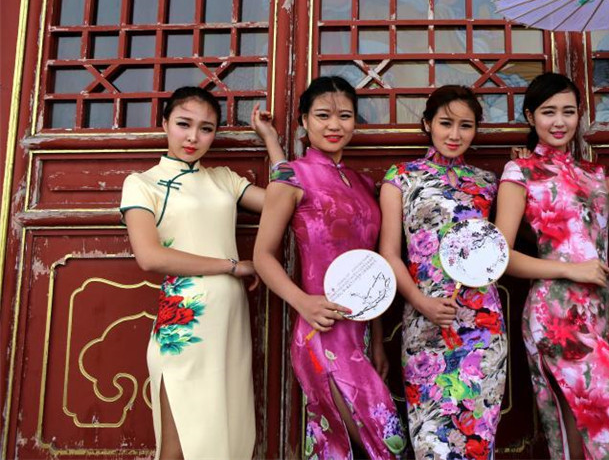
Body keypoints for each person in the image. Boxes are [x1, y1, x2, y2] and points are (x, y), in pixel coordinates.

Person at [494, 73, 609, 460]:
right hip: (555, 314)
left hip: (596, 312)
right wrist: (572, 269)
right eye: (548, 112)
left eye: (568, 112)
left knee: (582, 424)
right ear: (530, 116)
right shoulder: (520, 173)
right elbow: (499, 257)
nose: (559, 121)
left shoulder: (593, 174)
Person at [120, 86, 285, 460]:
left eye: (206, 128)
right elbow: (150, 257)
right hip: (185, 323)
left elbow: (286, 198)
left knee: (227, 435)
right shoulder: (141, 183)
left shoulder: (223, 179)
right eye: (183, 124)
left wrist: (271, 140)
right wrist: (232, 266)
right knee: (181, 445)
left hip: (230, 321)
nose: (193, 137)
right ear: (164, 124)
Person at [252, 76, 405, 460]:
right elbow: (263, 256)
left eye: (344, 116)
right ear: (304, 121)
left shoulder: (362, 183)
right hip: (321, 329)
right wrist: (303, 302)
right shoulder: (291, 178)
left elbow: (371, 266)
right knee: (383, 443)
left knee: (346, 447)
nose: (334, 125)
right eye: (322, 115)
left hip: (364, 332)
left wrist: (378, 331)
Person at [380, 85, 508, 460]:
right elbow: (389, 253)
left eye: (465, 126)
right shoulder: (401, 177)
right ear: (427, 124)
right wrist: (421, 302)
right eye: (446, 123)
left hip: (481, 326)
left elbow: (500, 246)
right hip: (427, 323)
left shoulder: (487, 182)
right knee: (431, 441)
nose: (455, 135)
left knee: (476, 440)